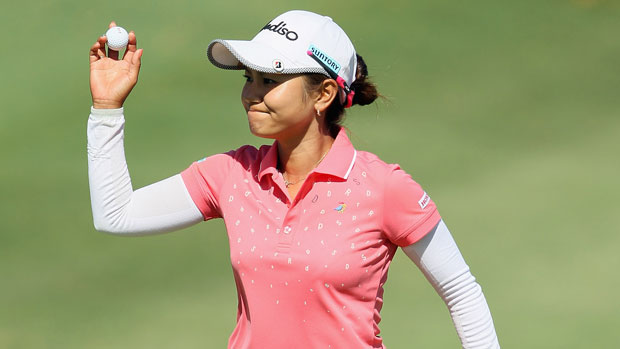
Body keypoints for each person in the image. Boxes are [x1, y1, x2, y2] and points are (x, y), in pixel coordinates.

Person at [87, 10, 500, 349]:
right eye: (249, 78)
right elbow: (117, 215)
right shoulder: (230, 174)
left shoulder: (382, 187)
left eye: (270, 80)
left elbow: (462, 292)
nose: (252, 93)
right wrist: (106, 108)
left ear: (322, 94)